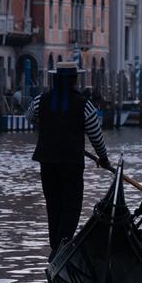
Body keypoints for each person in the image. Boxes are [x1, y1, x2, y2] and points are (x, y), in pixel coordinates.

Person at [26, 61, 111, 257]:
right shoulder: (84, 104)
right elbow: (95, 135)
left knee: (53, 203)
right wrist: (103, 158)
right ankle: (62, 245)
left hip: (47, 162)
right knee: (71, 205)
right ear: (75, 80)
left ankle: (56, 245)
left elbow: (29, 117)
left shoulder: (41, 100)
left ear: (55, 78)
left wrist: (49, 125)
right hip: (71, 163)